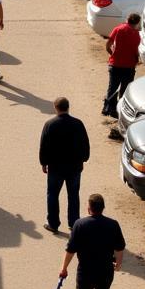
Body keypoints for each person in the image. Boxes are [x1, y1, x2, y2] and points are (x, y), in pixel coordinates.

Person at [59, 194, 126, 289]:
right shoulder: (113, 224)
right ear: (103, 208)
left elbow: (70, 250)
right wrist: (119, 263)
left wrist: (63, 268)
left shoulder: (79, 225)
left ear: (89, 208)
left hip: (86, 270)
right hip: (105, 269)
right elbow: (120, 248)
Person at [39, 97, 90, 234]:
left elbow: (44, 146)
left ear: (56, 108)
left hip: (55, 167)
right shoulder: (78, 124)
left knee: (53, 194)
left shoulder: (50, 124)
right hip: (74, 167)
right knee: (73, 195)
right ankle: (74, 223)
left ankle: (53, 223)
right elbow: (85, 144)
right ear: (68, 107)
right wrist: (83, 160)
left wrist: (44, 163)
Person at [102, 13, 141, 118]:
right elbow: (135, 51)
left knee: (112, 88)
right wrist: (137, 60)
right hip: (129, 66)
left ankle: (109, 108)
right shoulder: (136, 35)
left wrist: (112, 54)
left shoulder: (118, 29)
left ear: (127, 20)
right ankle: (121, 110)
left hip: (115, 64)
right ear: (137, 23)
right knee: (124, 90)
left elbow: (108, 44)